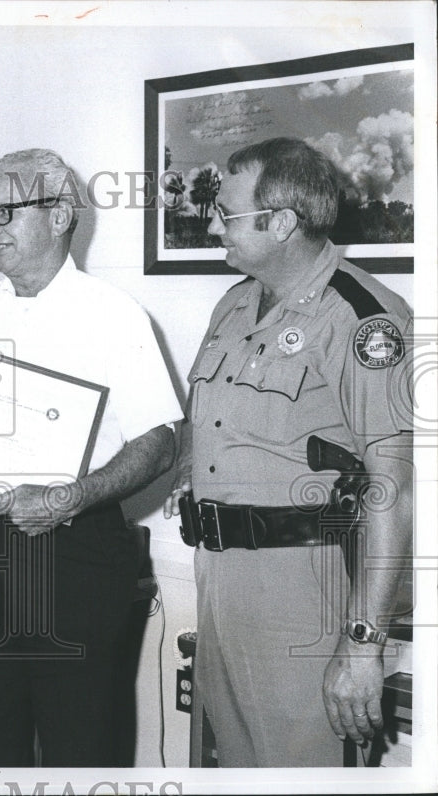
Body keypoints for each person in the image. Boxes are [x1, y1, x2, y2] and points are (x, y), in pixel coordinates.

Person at [163, 137, 414, 766]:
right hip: (220, 581)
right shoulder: (234, 304)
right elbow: (218, 425)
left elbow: (395, 488)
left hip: (306, 591)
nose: (212, 223)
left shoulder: (364, 319)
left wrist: (363, 645)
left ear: (281, 223)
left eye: (227, 213)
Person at [0, 148, 182, 767]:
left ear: (60, 215)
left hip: (73, 552)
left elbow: (160, 440)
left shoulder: (114, 314)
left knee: (82, 749)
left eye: (6, 212)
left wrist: (68, 497)